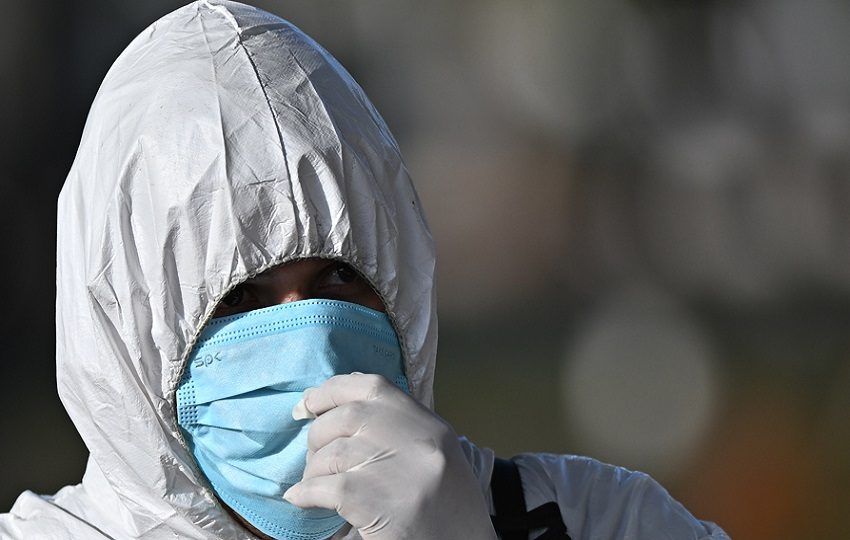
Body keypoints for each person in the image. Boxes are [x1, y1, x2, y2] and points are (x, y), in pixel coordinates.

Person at [0, 1, 730, 539]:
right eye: (240, 300)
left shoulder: (587, 522)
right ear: (127, 332)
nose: (311, 348)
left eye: (338, 282)